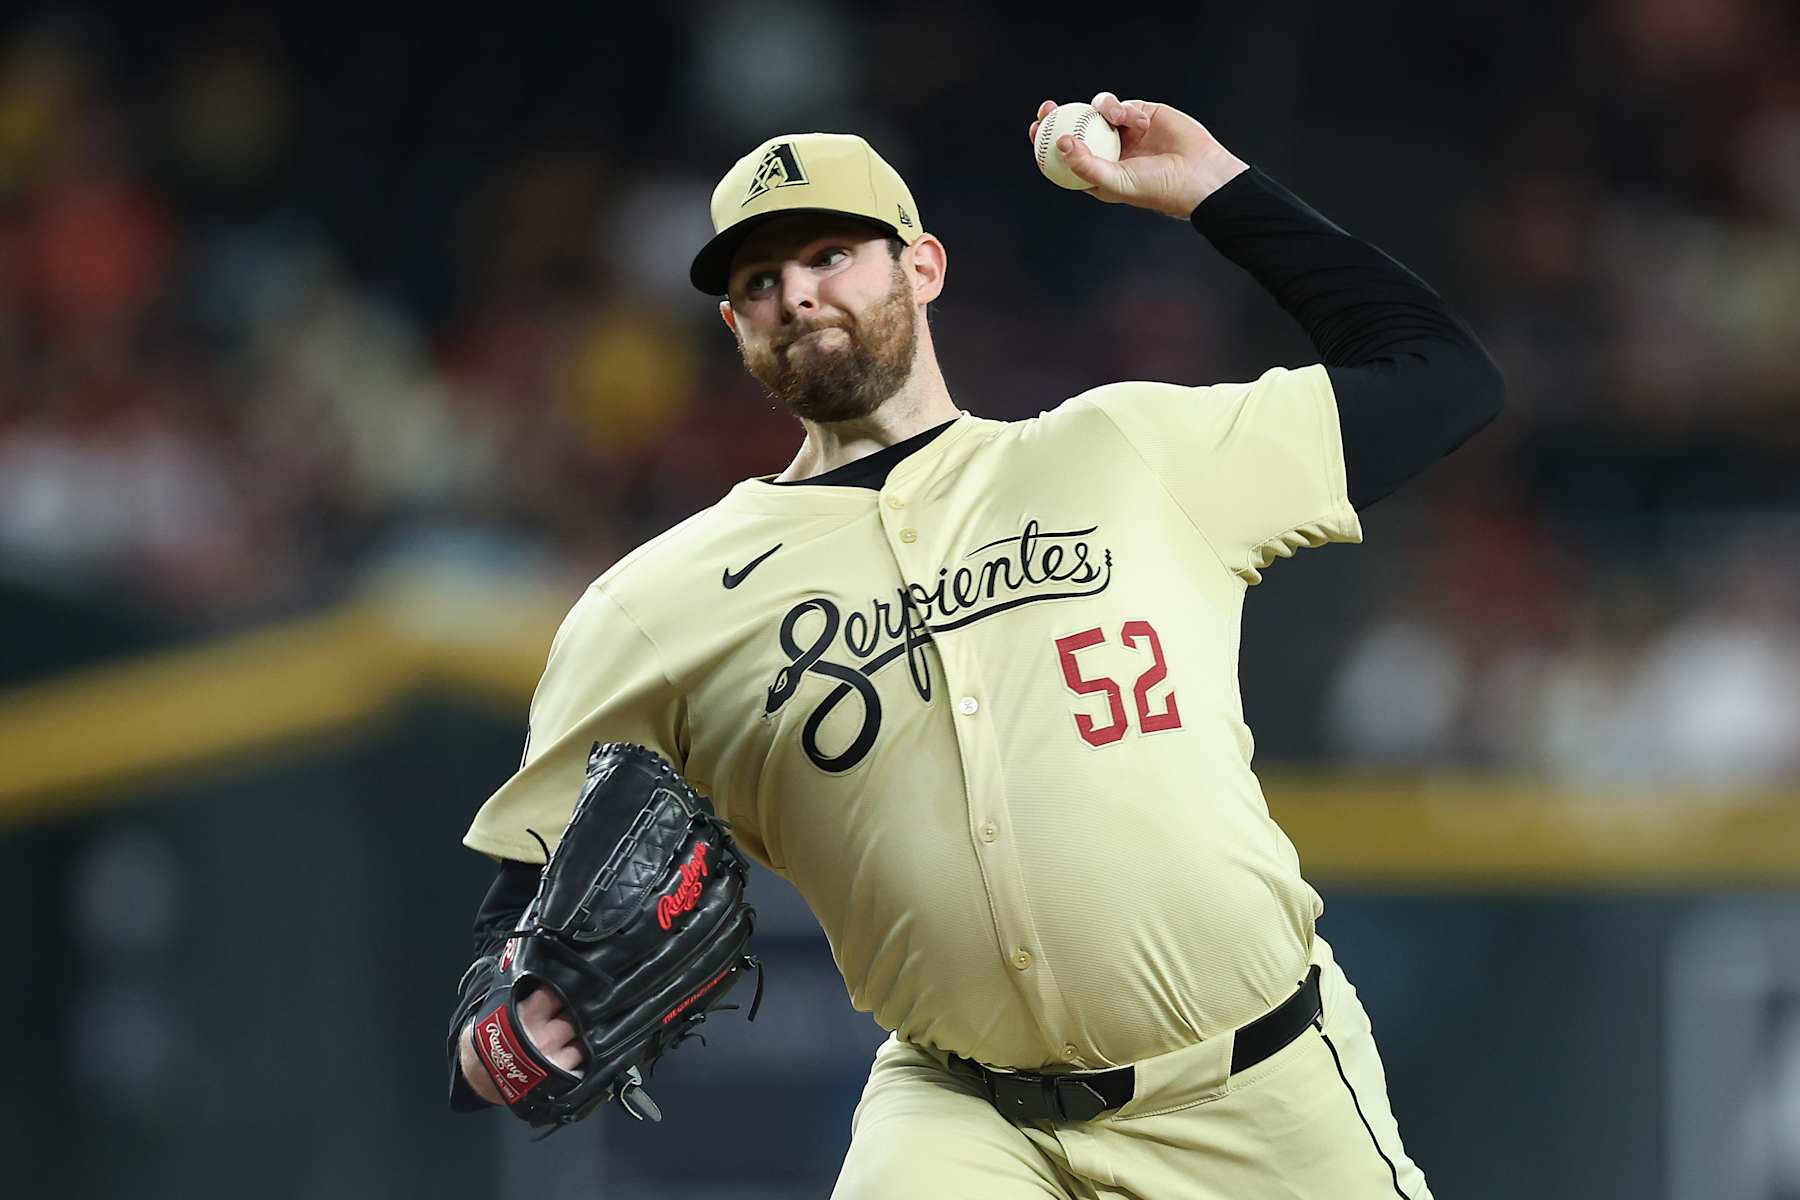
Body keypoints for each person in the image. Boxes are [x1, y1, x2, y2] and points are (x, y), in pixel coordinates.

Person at [447, 92, 1502, 1199]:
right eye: (758, 282)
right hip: (963, 1120)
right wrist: (493, 1023)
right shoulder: (655, 605)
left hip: (1256, 1085)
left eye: (829, 253)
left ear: (923, 268)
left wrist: (1216, 192)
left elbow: (1444, 380)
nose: (796, 291)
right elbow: (527, 892)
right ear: (737, 329)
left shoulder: (1128, 449)